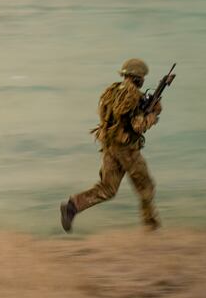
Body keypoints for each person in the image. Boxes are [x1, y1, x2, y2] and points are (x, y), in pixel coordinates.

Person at [61, 58, 163, 233]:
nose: (143, 80)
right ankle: (151, 227)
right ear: (137, 77)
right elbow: (138, 126)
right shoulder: (133, 96)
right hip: (127, 150)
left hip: (110, 146)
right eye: (142, 77)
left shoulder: (112, 91)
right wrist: (153, 115)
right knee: (146, 187)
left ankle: (73, 206)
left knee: (108, 188)